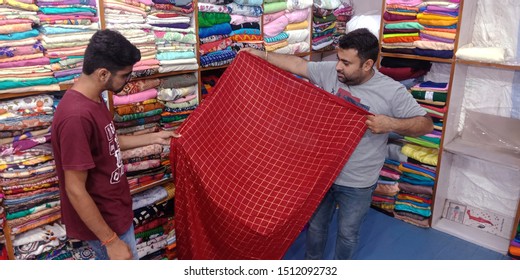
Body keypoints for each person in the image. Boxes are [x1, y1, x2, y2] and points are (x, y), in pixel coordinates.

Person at [242, 28, 433, 259]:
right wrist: (260, 55)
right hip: (324, 173)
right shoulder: (332, 74)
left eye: (346, 62)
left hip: (358, 180)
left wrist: (390, 124)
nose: (338, 66)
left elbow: (426, 125)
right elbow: (296, 65)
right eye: (338, 59)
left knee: (347, 234)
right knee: (315, 226)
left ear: (367, 64)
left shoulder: (391, 92)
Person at [51, 29, 180, 260]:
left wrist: (153, 138)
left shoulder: (93, 98)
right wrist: (110, 241)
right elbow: (74, 189)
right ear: (103, 73)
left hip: (115, 212)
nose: (128, 80)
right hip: (104, 226)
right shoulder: (76, 117)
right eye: (125, 75)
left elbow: (109, 141)